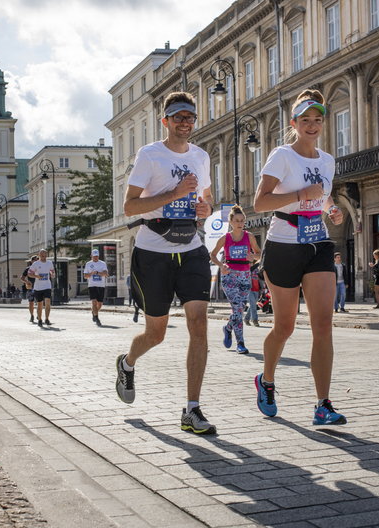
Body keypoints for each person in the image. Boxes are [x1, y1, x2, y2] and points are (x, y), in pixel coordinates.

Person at [115, 91, 217, 435]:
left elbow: (206, 198)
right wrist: (173, 194)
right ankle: (127, 363)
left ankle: (192, 409)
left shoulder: (201, 157)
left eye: (190, 117)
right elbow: (130, 207)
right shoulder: (150, 155)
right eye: (178, 117)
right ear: (166, 121)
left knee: (199, 323)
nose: (185, 123)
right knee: (156, 334)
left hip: (190, 248)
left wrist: (206, 209)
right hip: (153, 252)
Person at [251, 89, 347, 426]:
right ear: (294, 123)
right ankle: (266, 380)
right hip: (283, 244)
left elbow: (322, 197)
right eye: (305, 120)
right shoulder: (282, 156)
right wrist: (298, 194)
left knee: (323, 324)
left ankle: (323, 404)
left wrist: (331, 209)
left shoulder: (327, 160)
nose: (312, 126)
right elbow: (259, 203)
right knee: (284, 327)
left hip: (317, 242)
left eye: (317, 120)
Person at [209, 204, 261, 354]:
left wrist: (253, 257)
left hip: (245, 277)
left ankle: (228, 328)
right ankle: (240, 343)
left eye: (242, 221)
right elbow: (212, 254)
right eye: (237, 220)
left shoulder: (249, 236)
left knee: (240, 311)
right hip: (229, 275)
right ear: (231, 221)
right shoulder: (225, 238)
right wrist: (221, 265)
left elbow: (259, 254)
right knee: (238, 310)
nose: (240, 223)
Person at [28, 249, 55, 327]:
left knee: (47, 303)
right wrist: (36, 276)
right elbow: (29, 274)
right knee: (39, 305)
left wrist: (52, 274)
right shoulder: (36, 264)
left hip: (47, 286)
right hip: (38, 287)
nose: (43, 257)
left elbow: (52, 271)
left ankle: (47, 319)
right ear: (39, 255)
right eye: (42, 255)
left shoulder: (49, 263)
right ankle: (40, 319)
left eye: (45, 255)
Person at [84, 249, 109, 326]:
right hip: (92, 285)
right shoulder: (88, 264)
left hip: (101, 285)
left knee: (100, 304)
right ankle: (97, 318)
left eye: (97, 256)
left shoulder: (102, 263)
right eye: (94, 256)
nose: (95, 258)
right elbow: (85, 276)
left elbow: (106, 274)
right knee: (94, 302)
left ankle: (94, 312)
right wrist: (91, 273)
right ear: (91, 256)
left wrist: (98, 273)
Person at [244, 263, 262, 327]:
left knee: (253, 305)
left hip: (256, 290)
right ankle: (255, 320)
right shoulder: (246, 268)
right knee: (253, 305)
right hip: (249, 289)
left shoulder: (257, 269)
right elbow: (251, 269)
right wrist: (259, 261)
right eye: (249, 262)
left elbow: (260, 278)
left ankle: (246, 319)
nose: (250, 263)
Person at [21, 257, 37, 323]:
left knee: (40, 302)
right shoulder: (28, 269)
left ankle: (39, 314)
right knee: (31, 302)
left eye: (37, 260)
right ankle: (32, 315)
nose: (37, 261)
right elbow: (22, 278)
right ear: (32, 261)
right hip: (31, 288)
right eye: (35, 260)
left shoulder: (40, 269)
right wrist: (27, 282)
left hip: (39, 287)